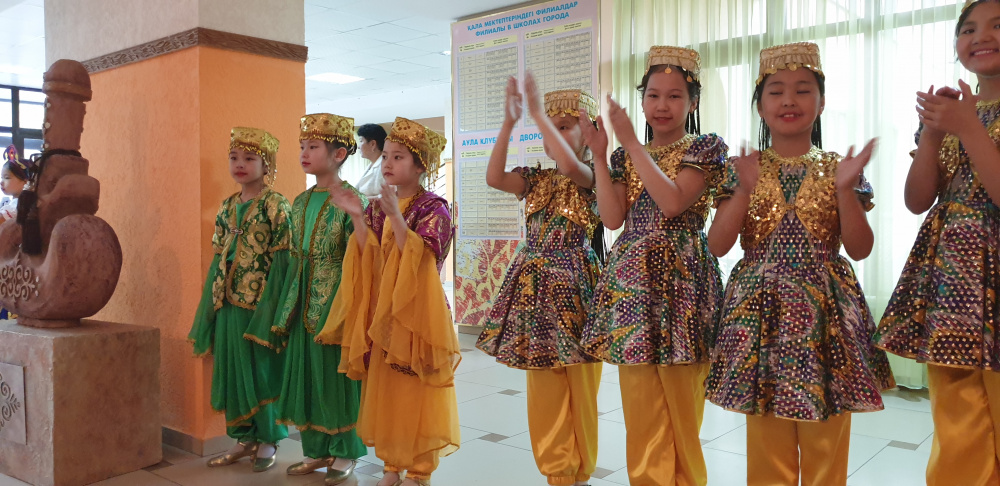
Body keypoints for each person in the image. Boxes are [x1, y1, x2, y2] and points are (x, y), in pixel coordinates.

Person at [705, 42, 894, 485]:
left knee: (825, 429)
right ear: (761, 105)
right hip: (759, 313)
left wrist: (846, 190)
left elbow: (860, 248)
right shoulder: (741, 168)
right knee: (766, 429)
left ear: (822, 102)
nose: (789, 100)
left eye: (803, 90)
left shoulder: (838, 167)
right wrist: (745, 190)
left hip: (825, 315)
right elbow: (717, 244)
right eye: (776, 91)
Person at [580, 46, 727, 486]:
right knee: (640, 403)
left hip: (684, 281)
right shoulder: (626, 155)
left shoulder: (706, 147)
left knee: (683, 403)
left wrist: (628, 143)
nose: (662, 106)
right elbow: (610, 219)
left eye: (675, 96)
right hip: (631, 285)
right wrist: (604, 155)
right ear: (642, 100)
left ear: (693, 102)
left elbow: (674, 200)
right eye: (653, 95)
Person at [876, 1, 1000, 484]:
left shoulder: (966, 119)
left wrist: (969, 127)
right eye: (967, 28)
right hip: (952, 280)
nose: (979, 35)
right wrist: (930, 136)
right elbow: (916, 199)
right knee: (955, 407)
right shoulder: (950, 116)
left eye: (996, 25)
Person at [476, 73, 603, 486]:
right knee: (544, 384)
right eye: (549, 126)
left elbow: (571, 165)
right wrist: (510, 123)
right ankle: (557, 472)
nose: (554, 134)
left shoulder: (594, 176)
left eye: (565, 126)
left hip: (576, 291)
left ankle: (579, 469)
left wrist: (535, 112)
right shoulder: (536, 179)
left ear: (588, 134)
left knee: (581, 385)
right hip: (534, 291)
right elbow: (494, 177)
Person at [319, 117, 460, 486]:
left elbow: (420, 262)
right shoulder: (377, 206)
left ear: (420, 165)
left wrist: (397, 216)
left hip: (417, 315)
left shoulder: (435, 209)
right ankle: (391, 467)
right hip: (385, 312)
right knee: (388, 390)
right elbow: (369, 256)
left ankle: (418, 470)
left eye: (398, 157)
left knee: (415, 391)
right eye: (386, 157)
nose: (388, 164)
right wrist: (356, 219)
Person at [188, 127, 291, 472]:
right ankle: (244, 438)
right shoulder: (228, 206)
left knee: (261, 371)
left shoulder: (276, 205)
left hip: (261, 303)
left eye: (249, 158)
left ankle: (268, 439)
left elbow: (284, 260)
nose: (240, 165)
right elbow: (220, 253)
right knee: (233, 370)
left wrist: (274, 307)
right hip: (228, 302)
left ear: (267, 164)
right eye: (234, 158)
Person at [356, 123, 388, 198]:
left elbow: (391, 196)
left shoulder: (386, 166)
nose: (358, 147)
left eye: (361, 141)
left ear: (373, 144)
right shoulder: (370, 166)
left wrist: (361, 200)